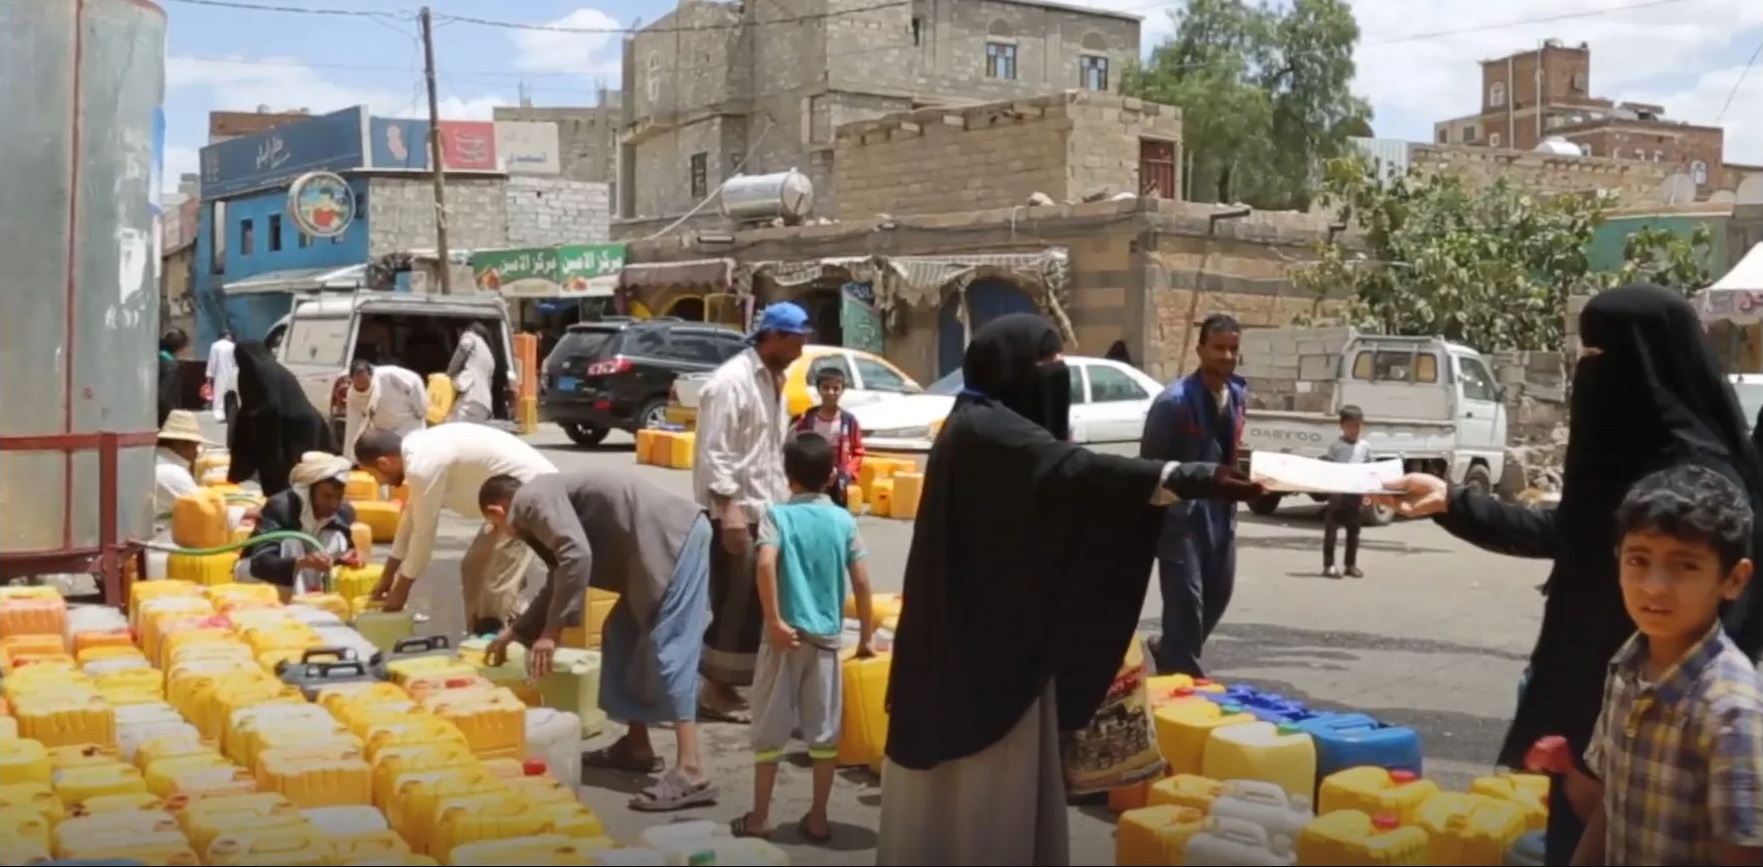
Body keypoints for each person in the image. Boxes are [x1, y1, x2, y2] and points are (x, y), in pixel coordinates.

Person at [1379, 284, 1763, 866]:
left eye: (1601, 357)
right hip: (1603, 706)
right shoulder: (1629, 460)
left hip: (1672, 722)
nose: (1589, 373)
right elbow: (1571, 533)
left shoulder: (1698, 482)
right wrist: (1451, 503)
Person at [876, 313, 1265, 866]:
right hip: (977, 672)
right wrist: (1189, 478)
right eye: (1046, 362)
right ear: (1009, 368)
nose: (1055, 374)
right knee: (978, 811)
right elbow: (1080, 473)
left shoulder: (984, 424)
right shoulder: (988, 432)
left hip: (986, 644)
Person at [479, 470, 718, 813]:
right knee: (621, 636)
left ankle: (691, 770)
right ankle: (637, 747)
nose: (499, 531)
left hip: (674, 539)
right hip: (649, 550)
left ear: (496, 511)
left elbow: (576, 555)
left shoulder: (531, 501)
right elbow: (561, 573)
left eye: (493, 525)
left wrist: (552, 632)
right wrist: (516, 633)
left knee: (671, 647)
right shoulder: (539, 501)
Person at [1572, 464, 1763, 866]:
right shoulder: (1628, 667)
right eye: (1638, 561)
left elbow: (1744, 851)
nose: (1654, 586)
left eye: (1685, 566)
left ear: (1734, 580)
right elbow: (1611, 805)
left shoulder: (1730, 708)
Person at [732, 433, 874, 843]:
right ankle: (818, 818)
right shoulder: (844, 521)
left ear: (787, 475)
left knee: (770, 731)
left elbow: (764, 565)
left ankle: (760, 817)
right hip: (827, 641)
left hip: (784, 638)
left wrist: (775, 621)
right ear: (832, 476)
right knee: (824, 735)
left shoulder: (777, 516)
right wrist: (864, 636)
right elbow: (862, 581)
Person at [693, 302, 812, 723]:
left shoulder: (775, 380)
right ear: (775, 336)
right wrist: (729, 510)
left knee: (758, 604)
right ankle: (715, 689)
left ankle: (738, 681)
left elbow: (767, 449)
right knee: (734, 602)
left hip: (768, 505)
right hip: (738, 509)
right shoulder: (731, 382)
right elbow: (716, 453)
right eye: (799, 339)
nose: (802, 348)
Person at [354, 425, 556, 634]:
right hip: (503, 505)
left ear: (383, 463)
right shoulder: (419, 450)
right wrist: (388, 577)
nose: (380, 482)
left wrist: (401, 591)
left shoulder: (423, 465)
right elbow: (410, 520)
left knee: (496, 584)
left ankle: (499, 642)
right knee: (474, 566)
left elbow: (423, 534)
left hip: (528, 498)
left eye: (374, 474)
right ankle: (482, 636)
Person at [1139, 313, 1246, 677]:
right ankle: (1183, 688)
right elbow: (1151, 469)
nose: (1227, 356)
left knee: (1218, 595)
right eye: (1218, 348)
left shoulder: (1237, 395)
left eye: (1233, 349)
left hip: (1221, 514)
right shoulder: (1173, 402)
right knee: (1186, 602)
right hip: (1180, 519)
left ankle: (1171, 650)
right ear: (1200, 349)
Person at [236, 452, 363, 600]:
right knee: (291, 543)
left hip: (305, 576)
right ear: (309, 491)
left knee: (335, 537)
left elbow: (346, 549)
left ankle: (314, 600)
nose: (333, 504)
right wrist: (301, 563)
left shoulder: (342, 512)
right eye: (327, 496)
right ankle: (299, 605)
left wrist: (350, 556)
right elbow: (261, 562)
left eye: (338, 497)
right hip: (259, 573)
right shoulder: (281, 507)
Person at [228, 339, 333, 496]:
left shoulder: (260, 372)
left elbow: (267, 407)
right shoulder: (269, 368)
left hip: (295, 429)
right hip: (298, 424)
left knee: (292, 475)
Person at [790, 365, 865, 507]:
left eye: (836, 388)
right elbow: (798, 447)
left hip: (838, 483)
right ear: (818, 389)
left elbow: (858, 452)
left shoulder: (848, 422)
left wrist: (848, 472)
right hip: (810, 481)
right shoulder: (808, 419)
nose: (831, 392)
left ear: (842, 390)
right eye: (826, 387)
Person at [343, 359, 428, 464]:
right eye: (359, 384)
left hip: (408, 423)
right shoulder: (352, 395)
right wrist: (351, 460)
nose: (363, 386)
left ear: (371, 375)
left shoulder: (391, 375)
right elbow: (353, 426)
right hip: (383, 430)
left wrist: (421, 410)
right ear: (351, 379)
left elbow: (414, 382)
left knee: (411, 458)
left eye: (365, 383)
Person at [1323, 404, 1371, 579]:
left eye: (1358, 426)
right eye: (1351, 426)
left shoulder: (1365, 447)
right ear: (1342, 426)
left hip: (1355, 496)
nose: (1355, 430)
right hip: (1337, 495)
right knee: (1331, 533)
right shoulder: (1336, 446)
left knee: (1354, 532)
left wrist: (1367, 493)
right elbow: (1327, 468)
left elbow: (1368, 470)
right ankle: (1329, 565)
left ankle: (1350, 565)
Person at [153, 410, 211, 519]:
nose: (196, 452)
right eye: (195, 446)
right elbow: (207, 511)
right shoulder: (173, 473)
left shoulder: (155, 461)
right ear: (184, 443)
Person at [446, 322, 497, 424]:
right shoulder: (489, 355)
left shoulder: (470, 338)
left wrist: (449, 373)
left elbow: (464, 347)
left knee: (449, 428)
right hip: (484, 405)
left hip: (470, 399)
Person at [158, 328, 190, 427]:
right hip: (165, 418)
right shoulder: (171, 365)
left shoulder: (157, 358)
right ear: (180, 347)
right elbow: (164, 395)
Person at [205, 331, 238, 424]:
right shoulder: (233, 346)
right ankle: (228, 413)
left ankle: (220, 413)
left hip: (219, 374)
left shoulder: (215, 346)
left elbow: (212, 361)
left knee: (219, 394)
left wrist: (209, 376)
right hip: (232, 373)